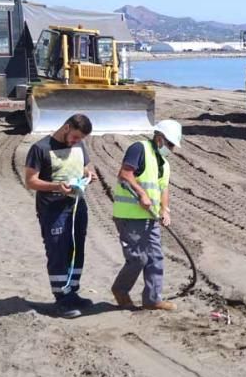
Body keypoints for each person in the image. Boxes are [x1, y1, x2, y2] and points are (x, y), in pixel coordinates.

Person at [24, 114, 98, 318]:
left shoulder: (79, 146)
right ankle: (61, 299)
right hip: (52, 209)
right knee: (57, 251)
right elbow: (31, 181)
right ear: (66, 127)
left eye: (80, 139)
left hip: (76, 206)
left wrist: (89, 175)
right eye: (75, 137)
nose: (77, 142)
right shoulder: (40, 148)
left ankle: (72, 292)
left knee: (76, 249)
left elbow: (84, 167)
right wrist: (57, 186)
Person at [111, 119, 182, 311]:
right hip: (129, 216)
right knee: (138, 258)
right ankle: (120, 290)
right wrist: (141, 194)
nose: (172, 149)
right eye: (170, 144)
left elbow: (163, 188)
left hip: (150, 217)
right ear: (160, 138)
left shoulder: (164, 163)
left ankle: (152, 299)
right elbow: (125, 174)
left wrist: (164, 209)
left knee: (155, 257)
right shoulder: (139, 149)